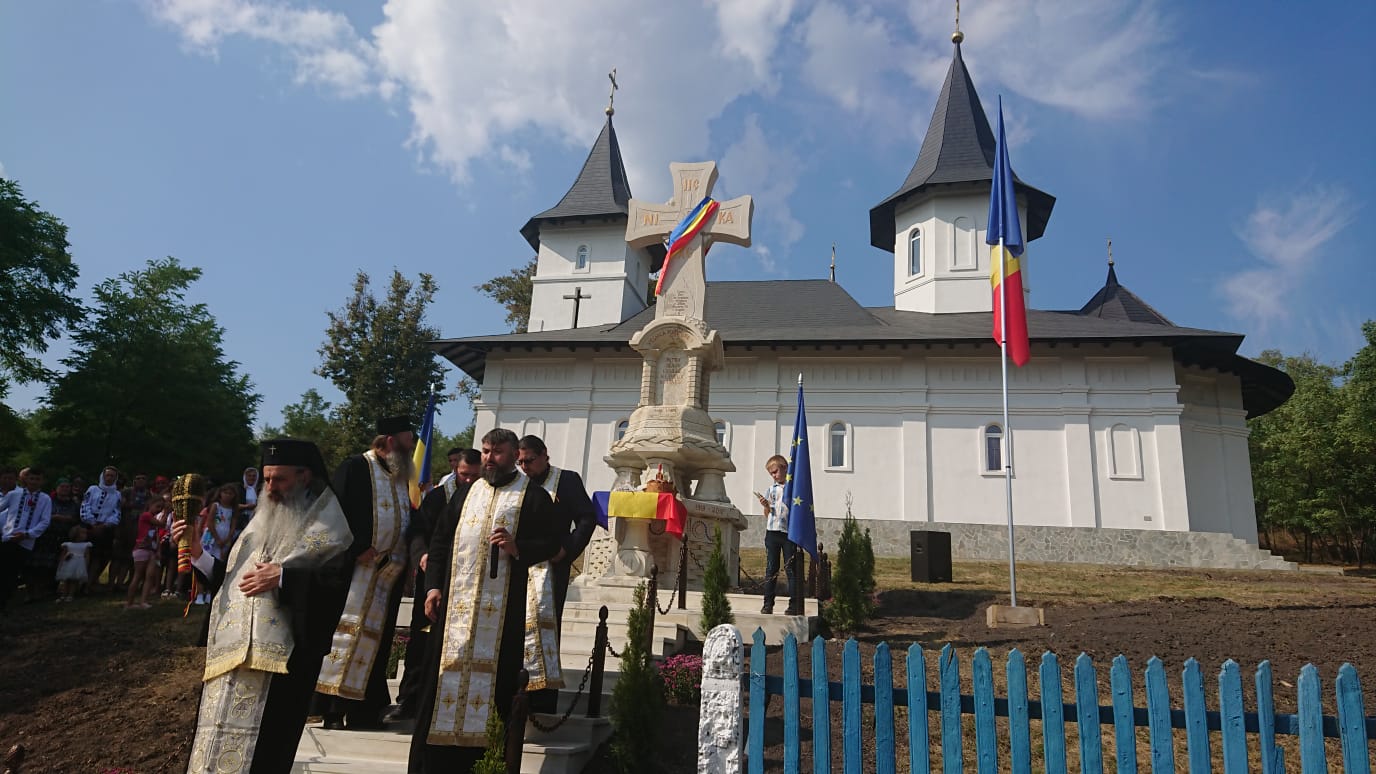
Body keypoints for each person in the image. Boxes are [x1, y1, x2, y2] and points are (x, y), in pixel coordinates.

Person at [180, 439, 354, 774]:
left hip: (284, 663)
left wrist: (285, 577)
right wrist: (196, 553)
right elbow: (233, 581)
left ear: (304, 477)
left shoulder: (330, 528)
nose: (270, 487)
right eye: (266, 479)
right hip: (231, 658)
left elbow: (334, 589)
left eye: (280, 479)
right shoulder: (260, 521)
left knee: (266, 751)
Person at [409, 428, 562, 772]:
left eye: (498, 452)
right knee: (437, 687)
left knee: (497, 689)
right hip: (453, 617)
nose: (490, 458)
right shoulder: (465, 495)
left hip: (501, 620)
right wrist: (433, 587)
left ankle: (486, 763)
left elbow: (554, 542)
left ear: (512, 455)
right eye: (486, 451)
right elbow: (439, 542)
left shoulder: (532, 496)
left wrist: (518, 547)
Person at [316, 416, 416, 730]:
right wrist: (357, 546)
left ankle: (364, 710)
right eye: (407, 440)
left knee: (377, 642)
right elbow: (332, 512)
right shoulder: (356, 467)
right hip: (354, 571)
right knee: (345, 636)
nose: (412, 447)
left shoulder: (398, 476)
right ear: (389, 441)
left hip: (386, 576)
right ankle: (332, 707)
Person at [388, 448, 480, 722]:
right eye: (464, 475)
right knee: (422, 640)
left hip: (468, 581)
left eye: (475, 476)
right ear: (456, 471)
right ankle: (410, 699)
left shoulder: (488, 498)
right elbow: (418, 531)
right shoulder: (439, 496)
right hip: (435, 580)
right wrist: (422, 555)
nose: (469, 481)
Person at [514, 435, 594, 712]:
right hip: (518, 565)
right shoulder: (516, 482)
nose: (524, 467)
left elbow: (587, 516)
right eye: (520, 461)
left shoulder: (566, 480)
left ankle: (542, 699)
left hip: (550, 567)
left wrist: (568, 549)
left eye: (529, 461)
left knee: (546, 629)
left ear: (544, 455)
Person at [1, 468, 52, 611]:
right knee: (3, 569)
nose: (34, 482)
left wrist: (28, 534)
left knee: (12, 572)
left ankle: (5, 601)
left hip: (25, 541)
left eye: (37, 479)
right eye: (31, 479)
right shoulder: (14, 494)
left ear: (42, 481)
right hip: (8, 538)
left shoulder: (45, 499)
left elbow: (44, 521)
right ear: (26, 479)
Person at [755, 454, 800, 615]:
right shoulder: (771, 490)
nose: (774, 476)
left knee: (790, 570)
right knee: (771, 569)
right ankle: (768, 604)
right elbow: (767, 514)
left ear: (784, 468)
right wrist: (766, 506)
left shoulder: (793, 488)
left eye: (775, 472)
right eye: (771, 474)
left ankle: (794, 604)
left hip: (788, 533)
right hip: (772, 532)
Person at [30, 477, 80, 600]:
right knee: (40, 565)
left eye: (67, 487)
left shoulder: (75, 505)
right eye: (62, 487)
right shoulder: (48, 501)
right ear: (56, 488)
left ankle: (51, 590)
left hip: (64, 537)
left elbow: (77, 519)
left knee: (57, 565)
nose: (64, 489)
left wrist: (68, 520)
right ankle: (36, 591)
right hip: (46, 536)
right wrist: (54, 517)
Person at [194, 485, 239, 604]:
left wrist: (228, 538)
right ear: (220, 493)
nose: (228, 495)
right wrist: (217, 538)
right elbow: (210, 522)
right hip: (211, 538)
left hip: (225, 538)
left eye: (231, 493)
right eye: (225, 492)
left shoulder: (233, 509)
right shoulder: (215, 506)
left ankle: (210, 592)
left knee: (217, 566)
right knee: (202, 564)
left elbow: (233, 525)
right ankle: (199, 593)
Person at [80, 466, 122, 590]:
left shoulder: (117, 494)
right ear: (102, 476)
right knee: (86, 556)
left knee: (100, 557)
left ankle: (90, 583)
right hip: (89, 526)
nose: (109, 478)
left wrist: (105, 525)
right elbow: (85, 505)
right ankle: (79, 582)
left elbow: (116, 512)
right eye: (107, 475)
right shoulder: (92, 489)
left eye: (112, 476)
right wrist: (92, 522)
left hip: (106, 528)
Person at [113, 473, 153, 591]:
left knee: (132, 560)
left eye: (143, 478)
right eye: (137, 478)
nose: (140, 480)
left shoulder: (149, 494)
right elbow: (121, 504)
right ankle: (111, 583)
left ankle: (127, 583)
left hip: (139, 531)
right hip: (123, 528)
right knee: (117, 558)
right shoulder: (126, 492)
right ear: (133, 481)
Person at [125, 494, 164, 609]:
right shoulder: (146, 515)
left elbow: (157, 535)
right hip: (141, 549)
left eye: (161, 508)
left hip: (151, 550)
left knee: (150, 576)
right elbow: (162, 524)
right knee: (138, 575)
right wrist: (166, 511)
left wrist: (158, 550)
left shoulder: (153, 519)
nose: (159, 510)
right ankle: (129, 602)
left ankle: (143, 601)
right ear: (150, 505)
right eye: (157, 507)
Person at [56, 524, 93, 602]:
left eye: (85, 533)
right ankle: (63, 594)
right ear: (76, 534)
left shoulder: (86, 545)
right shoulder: (68, 545)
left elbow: (87, 556)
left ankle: (70, 595)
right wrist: (61, 562)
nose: (85, 535)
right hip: (68, 564)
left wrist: (86, 564)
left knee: (74, 581)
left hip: (79, 564)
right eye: (83, 533)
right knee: (66, 580)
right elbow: (63, 554)